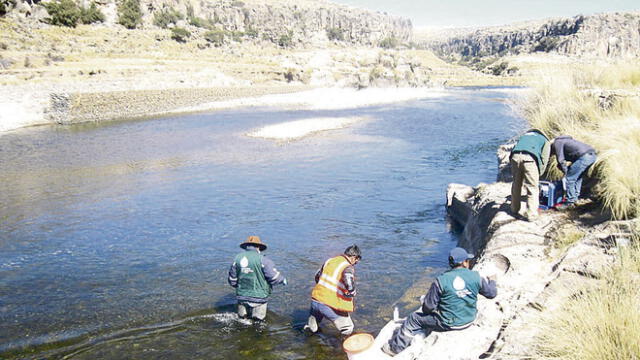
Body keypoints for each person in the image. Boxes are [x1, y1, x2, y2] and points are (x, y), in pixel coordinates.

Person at [382, 247, 497, 356]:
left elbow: (427, 308)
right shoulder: (476, 276)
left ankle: (395, 348)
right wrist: (492, 281)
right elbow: (492, 294)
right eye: (468, 260)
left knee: (413, 319)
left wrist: (428, 301)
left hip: (449, 323)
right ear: (464, 262)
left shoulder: (441, 281)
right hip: (469, 319)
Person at [305, 245, 361, 336]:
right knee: (348, 327)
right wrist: (352, 292)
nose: (356, 263)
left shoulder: (330, 261)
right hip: (328, 304)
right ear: (354, 257)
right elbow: (349, 282)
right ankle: (340, 348)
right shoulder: (347, 266)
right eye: (357, 260)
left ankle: (310, 341)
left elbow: (317, 276)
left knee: (313, 328)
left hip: (315, 300)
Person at [227, 235, 287, 321]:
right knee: (258, 323)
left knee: (242, 321)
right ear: (258, 247)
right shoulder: (264, 260)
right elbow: (274, 278)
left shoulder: (237, 259)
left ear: (246, 246)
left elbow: (232, 281)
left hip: (241, 296)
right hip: (259, 298)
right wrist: (282, 280)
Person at [509, 129, 551, 221]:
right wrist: (540, 173)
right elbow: (544, 158)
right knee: (532, 187)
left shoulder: (524, 136)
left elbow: (515, 148)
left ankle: (514, 209)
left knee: (516, 184)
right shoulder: (545, 140)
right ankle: (531, 214)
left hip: (515, 157)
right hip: (530, 159)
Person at [551, 135, 597, 209]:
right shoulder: (567, 141)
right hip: (592, 156)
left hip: (584, 157)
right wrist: (566, 169)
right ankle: (575, 198)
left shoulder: (557, 142)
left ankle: (570, 202)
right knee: (578, 177)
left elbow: (561, 160)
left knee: (570, 179)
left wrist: (566, 172)